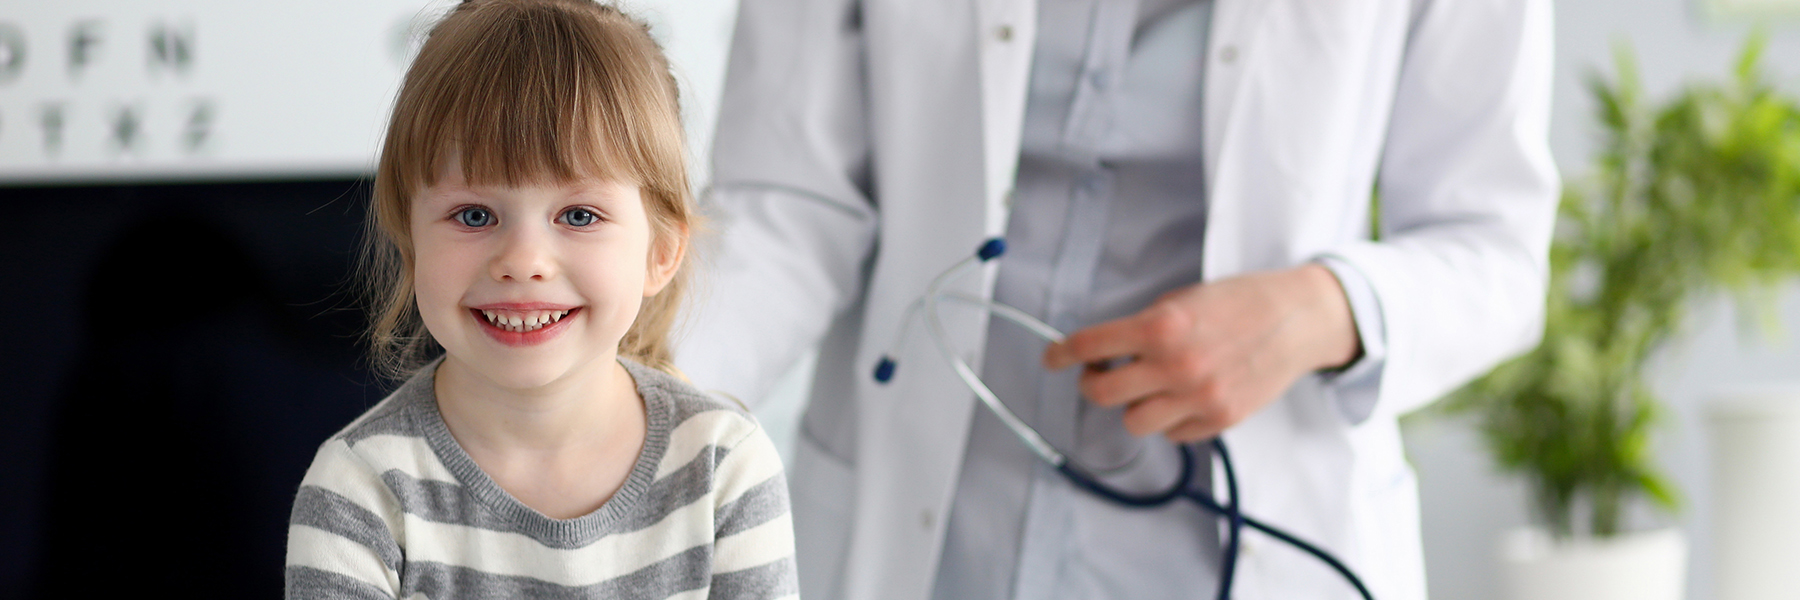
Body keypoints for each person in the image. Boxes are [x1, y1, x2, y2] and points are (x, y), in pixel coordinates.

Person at [675, 0, 1558, 599]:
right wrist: (631, 395)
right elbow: (790, 201)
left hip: (1245, 543)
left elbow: (1493, 246)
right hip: (930, 539)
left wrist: (1323, 310)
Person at [284, 2, 797, 598]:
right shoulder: (359, 490)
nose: (523, 261)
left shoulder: (725, 468)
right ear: (411, 240)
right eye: (474, 215)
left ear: (661, 252)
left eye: (578, 215)